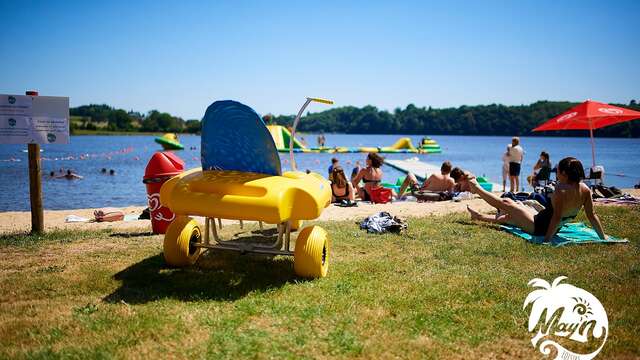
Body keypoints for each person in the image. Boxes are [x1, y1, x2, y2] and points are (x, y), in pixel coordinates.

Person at [466, 157, 606, 242]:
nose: (556, 174)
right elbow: (592, 216)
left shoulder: (561, 190)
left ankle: (476, 187)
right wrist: (603, 237)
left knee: (506, 203)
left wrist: (546, 241)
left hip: (538, 227)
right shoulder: (585, 190)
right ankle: (478, 216)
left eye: (557, 172)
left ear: (564, 173)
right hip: (548, 225)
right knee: (510, 217)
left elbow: (556, 217)